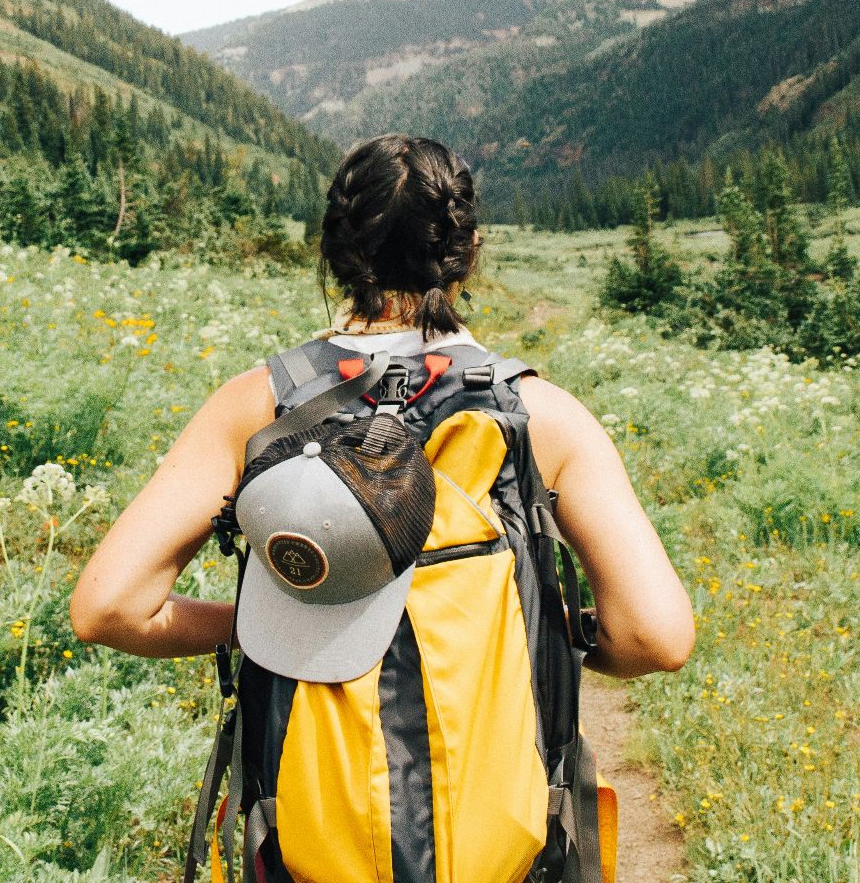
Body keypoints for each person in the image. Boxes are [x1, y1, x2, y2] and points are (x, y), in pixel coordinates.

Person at [69, 132, 691, 682]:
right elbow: (653, 638)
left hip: (305, 807)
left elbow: (110, 608)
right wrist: (543, 636)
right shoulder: (542, 414)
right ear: (468, 252)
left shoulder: (257, 403)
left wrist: (262, 628)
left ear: (334, 254)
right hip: (498, 809)